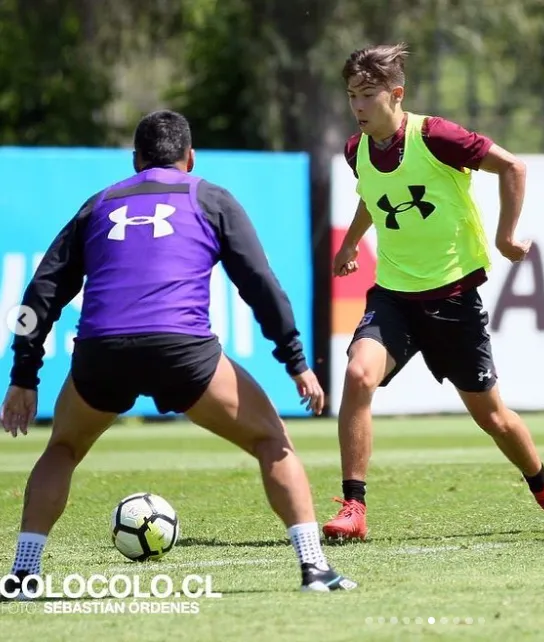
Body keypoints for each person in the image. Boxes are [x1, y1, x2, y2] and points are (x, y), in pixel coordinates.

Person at [0, 110, 356, 595]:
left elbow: (38, 295)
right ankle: (315, 568)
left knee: (62, 449)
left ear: (135, 159)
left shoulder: (98, 204)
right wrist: (295, 361)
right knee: (273, 442)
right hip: (182, 351)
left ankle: (23, 572)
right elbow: (260, 284)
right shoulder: (209, 197)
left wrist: (24, 376)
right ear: (190, 157)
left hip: (102, 352)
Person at [322, 43, 544, 542]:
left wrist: (507, 237)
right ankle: (353, 506)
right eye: (351, 96)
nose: (357, 106)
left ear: (396, 95)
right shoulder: (356, 151)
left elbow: (514, 168)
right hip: (393, 295)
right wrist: (352, 242)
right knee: (358, 375)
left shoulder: (436, 136)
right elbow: (373, 198)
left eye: (367, 95)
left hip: (452, 298)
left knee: (494, 418)